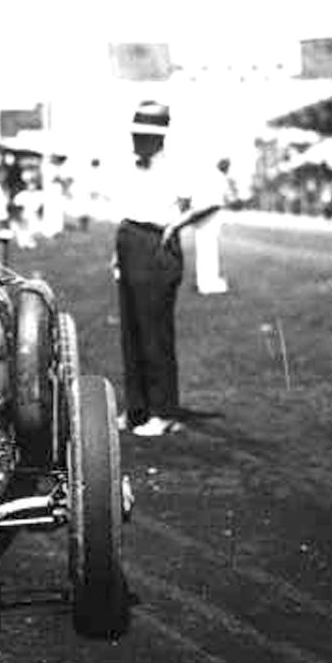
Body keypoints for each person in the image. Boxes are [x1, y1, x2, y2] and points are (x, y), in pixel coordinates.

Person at [114, 101, 221, 437]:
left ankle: (163, 411)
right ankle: (137, 408)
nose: (136, 140)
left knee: (154, 332)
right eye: (135, 134)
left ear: (158, 138)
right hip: (130, 241)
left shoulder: (178, 168)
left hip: (157, 246)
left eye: (142, 135)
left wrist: (177, 224)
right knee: (131, 332)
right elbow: (129, 212)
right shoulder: (132, 167)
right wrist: (118, 255)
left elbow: (210, 201)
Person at [193, 157, 236, 294]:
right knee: (209, 253)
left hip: (202, 220)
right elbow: (216, 202)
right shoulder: (218, 179)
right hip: (208, 220)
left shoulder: (210, 178)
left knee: (205, 253)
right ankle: (208, 284)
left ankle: (205, 282)